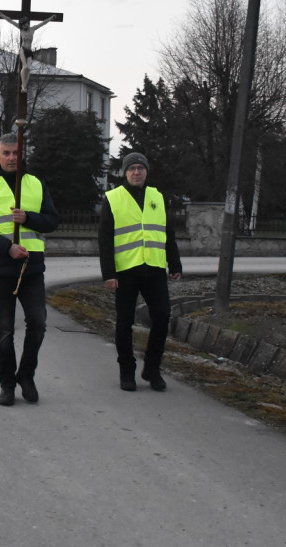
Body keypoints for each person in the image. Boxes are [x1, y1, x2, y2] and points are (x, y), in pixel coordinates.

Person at [0, 133, 58, 406]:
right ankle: (7, 384)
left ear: (22, 155)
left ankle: (26, 375)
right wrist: (7, 248)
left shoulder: (36, 184)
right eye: (6, 153)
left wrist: (28, 218)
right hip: (0, 267)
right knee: (5, 331)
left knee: (39, 324)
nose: (11, 158)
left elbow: (52, 221)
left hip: (31, 268)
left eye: (15, 153)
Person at [98, 152, 183, 392]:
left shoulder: (157, 197)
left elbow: (168, 233)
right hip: (125, 270)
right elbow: (105, 239)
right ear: (125, 172)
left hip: (154, 269)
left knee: (163, 316)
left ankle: (152, 369)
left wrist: (174, 264)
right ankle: (127, 371)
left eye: (141, 168)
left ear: (146, 171)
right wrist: (109, 274)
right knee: (125, 322)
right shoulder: (113, 198)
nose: (137, 172)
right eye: (132, 168)